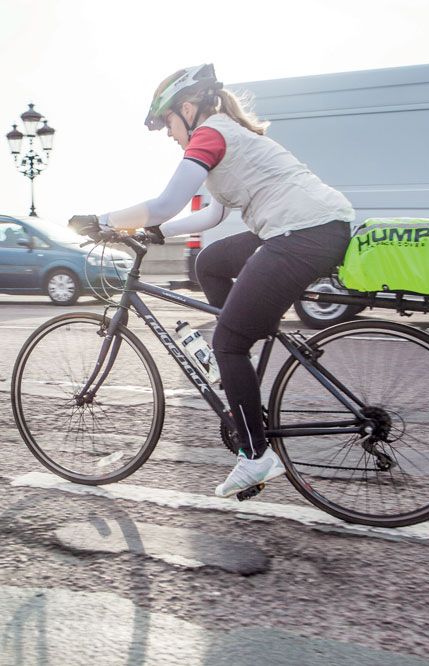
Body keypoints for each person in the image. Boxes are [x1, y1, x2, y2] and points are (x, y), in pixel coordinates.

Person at [70, 64, 354, 499]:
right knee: (210, 264)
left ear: (187, 108)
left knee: (227, 341)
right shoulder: (226, 135)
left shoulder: (211, 135)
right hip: (307, 228)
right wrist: (158, 232)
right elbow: (213, 215)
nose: (168, 133)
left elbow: (165, 202)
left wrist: (103, 220)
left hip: (301, 234)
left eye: (167, 122)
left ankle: (256, 454)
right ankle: (238, 366)